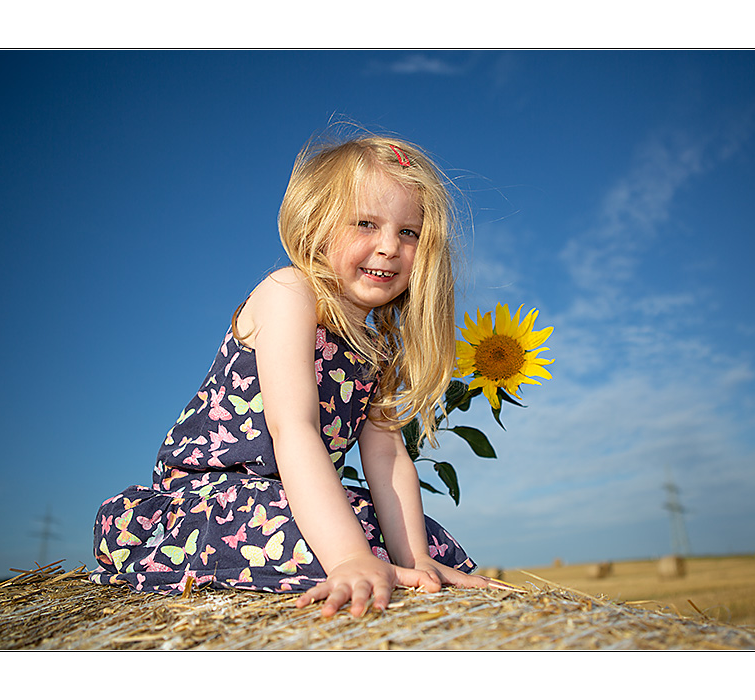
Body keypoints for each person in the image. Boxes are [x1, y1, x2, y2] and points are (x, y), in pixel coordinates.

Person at [89, 132, 489, 617]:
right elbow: (292, 428)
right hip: (207, 501)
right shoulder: (289, 293)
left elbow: (386, 455)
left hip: (298, 494)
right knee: (334, 543)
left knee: (422, 540)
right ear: (317, 227)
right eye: (366, 223)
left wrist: (416, 560)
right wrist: (348, 558)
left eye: (409, 232)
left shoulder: (380, 345)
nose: (389, 247)